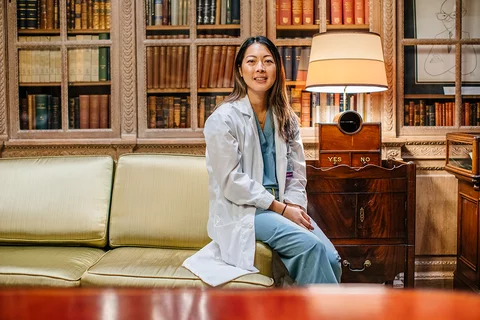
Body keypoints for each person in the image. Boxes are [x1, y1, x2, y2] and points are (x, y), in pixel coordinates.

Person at [183, 36, 341, 287]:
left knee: (332, 259)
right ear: (240, 70)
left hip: (283, 207)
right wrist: (280, 208)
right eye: (252, 61)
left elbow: (297, 172)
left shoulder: (286, 117)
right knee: (311, 247)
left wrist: (294, 205)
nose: (260, 68)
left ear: (277, 69)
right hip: (247, 210)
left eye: (267, 61)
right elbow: (231, 182)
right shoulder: (222, 119)